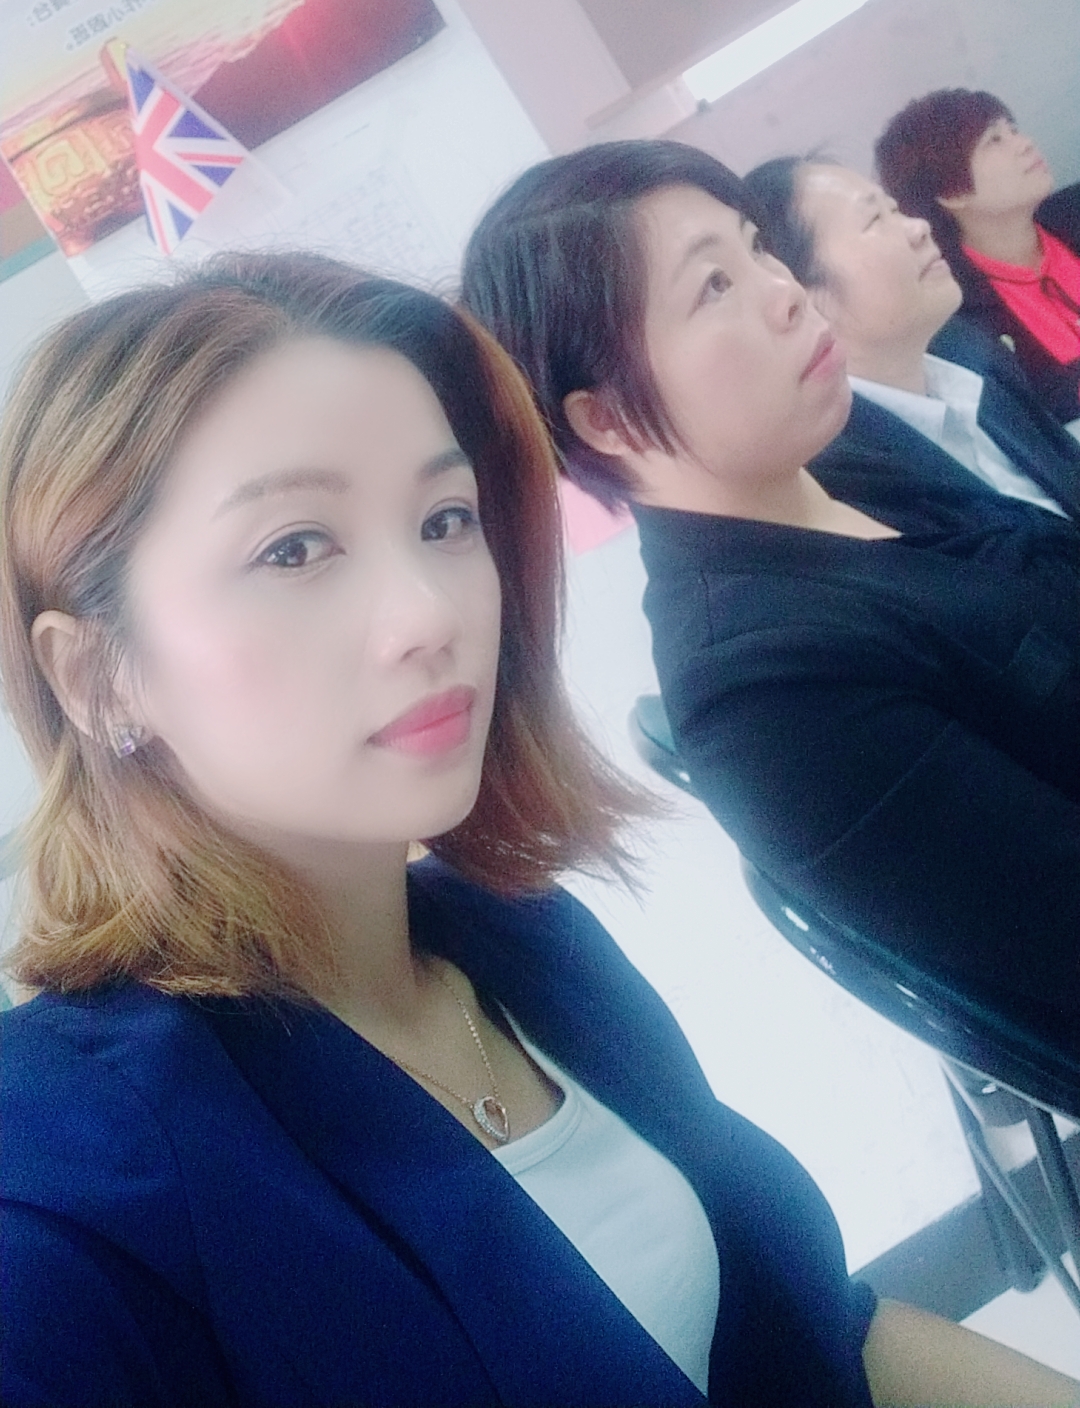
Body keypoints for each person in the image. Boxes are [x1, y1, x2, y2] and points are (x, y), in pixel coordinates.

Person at [10, 256, 1066, 1408]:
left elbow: (825, 1332)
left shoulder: (524, 944)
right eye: (294, 548)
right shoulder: (66, 1197)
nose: (430, 614)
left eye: (445, 520)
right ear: (98, 676)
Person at [460, 141, 1080, 1056]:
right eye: (713, 285)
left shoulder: (846, 457)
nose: (785, 291)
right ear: (606, 417)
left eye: (756, 248)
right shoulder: (769, 699)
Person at [742, 155, 1080, 524]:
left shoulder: (969, 354)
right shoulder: (847, 482)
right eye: (875, 219)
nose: (919, 227)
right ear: (801, 293)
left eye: (895, 209)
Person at [875, 89, 1080, 427]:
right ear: (951, 193)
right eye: (994, 140)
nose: (1024, 143)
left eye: (1013, 129)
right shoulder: (959, 321)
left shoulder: (1072, 212)